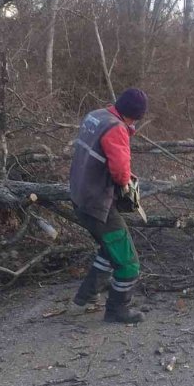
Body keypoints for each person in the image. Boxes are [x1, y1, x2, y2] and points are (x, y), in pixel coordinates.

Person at [69, 88, 148, 324]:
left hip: (79, 197)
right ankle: (117, 310)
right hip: (97, 204)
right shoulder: (116, 128)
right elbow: (121, 172)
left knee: (108, 249)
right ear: (134, 115)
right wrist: (127, 187)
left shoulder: (96, 116)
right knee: (128, 260)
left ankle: (83, 299)